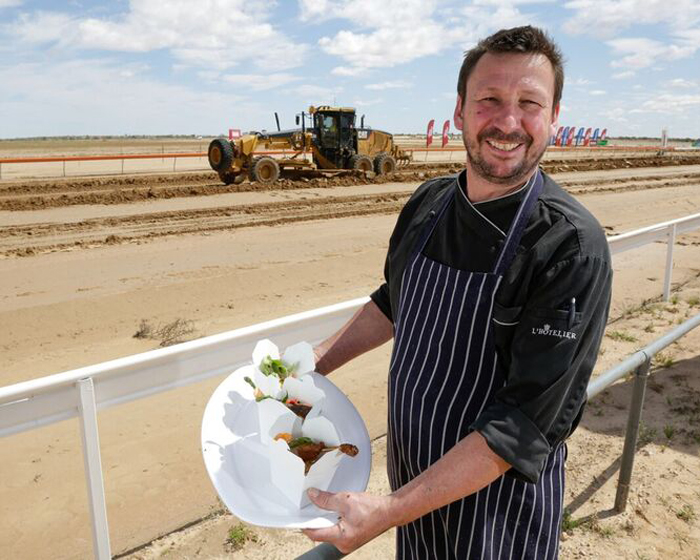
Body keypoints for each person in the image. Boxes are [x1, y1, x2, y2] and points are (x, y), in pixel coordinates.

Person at [304, 25, 612, 559]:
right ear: (460, 111)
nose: (508, 121)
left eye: (529, 103)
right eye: (489, 99)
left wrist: (386, 511)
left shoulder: (570, 247)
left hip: (499, 514)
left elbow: (520, 425)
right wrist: (314, 362)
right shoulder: (428, 204)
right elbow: (393, 302)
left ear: (554, 119)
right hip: (414, 491)